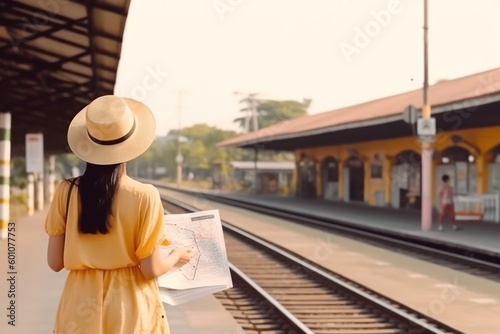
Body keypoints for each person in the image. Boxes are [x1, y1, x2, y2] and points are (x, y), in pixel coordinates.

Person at [45, 95, 194, 333]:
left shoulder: (66, 191)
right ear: (131, 146)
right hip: (130, 307)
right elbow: (150, 270)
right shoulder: (145, 195)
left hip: (78, 304)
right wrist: (177, 255)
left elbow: (55, 262)